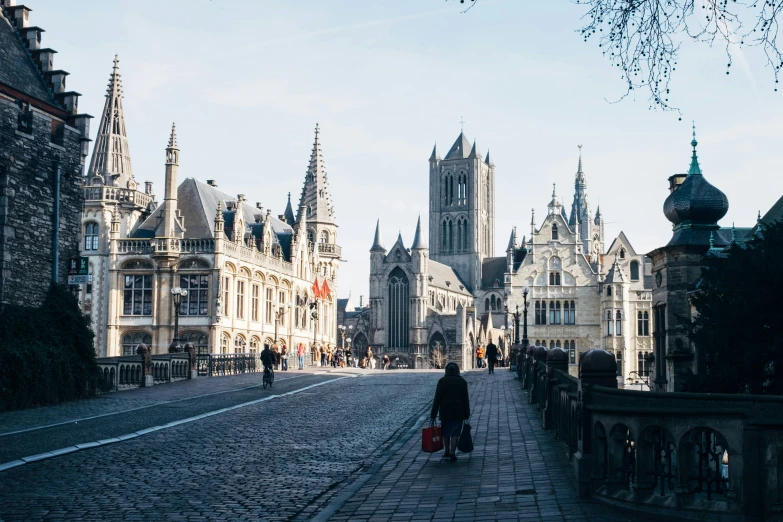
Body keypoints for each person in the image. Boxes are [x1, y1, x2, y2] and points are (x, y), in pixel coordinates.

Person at [430, 362, 470, 462]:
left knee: (446, 432)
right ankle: (452, 453)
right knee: (455, 432)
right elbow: (465, 399)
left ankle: (447, 450)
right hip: (458, 411)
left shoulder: (442, 381)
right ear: (457, 371)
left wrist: (433, 414)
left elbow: (437, 398)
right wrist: (467, 413)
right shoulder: (462, 382)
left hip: (445, 411)